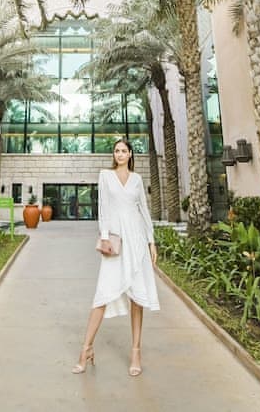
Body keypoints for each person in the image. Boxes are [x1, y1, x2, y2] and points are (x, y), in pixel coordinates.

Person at [72, 138, 159, 377]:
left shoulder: (137, 179)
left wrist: (151, 242)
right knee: (102, 295)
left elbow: (144, 211)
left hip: (137, 241)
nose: (119, 154)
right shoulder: (106, 176)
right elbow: (103, 208)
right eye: (116, 151)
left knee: (137, 297)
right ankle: (86, 349)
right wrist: (104, 237)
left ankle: (136, 352)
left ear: (130, 154)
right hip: (115, 240)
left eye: (123, 151)